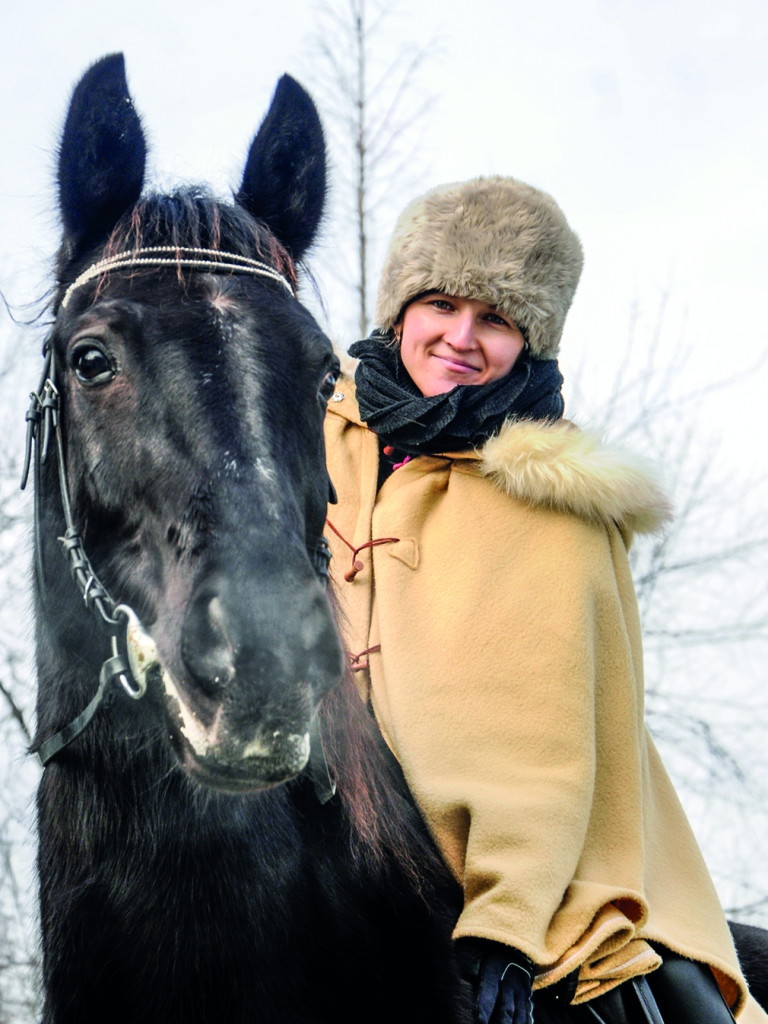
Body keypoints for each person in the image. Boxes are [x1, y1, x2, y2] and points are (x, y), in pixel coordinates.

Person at [323, 176, 766, 1023]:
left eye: (494, 319)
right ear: (399, 311)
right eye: (441, 304)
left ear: (529, 341)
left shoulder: (557, 505)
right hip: (310, 847)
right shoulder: (315, 436)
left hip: (522, 878)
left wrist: (505, 915)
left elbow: (551, 738)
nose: (460, 337)